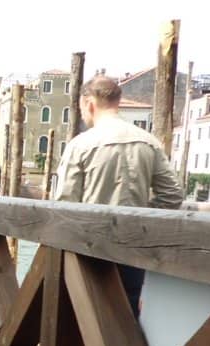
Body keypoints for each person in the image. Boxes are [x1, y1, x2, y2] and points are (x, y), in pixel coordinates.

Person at [55, 75, 183, 317]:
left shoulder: (80, 145)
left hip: (90, 249)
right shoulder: (149, 142)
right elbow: (173, 195)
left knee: (81, 320)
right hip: (134, 247)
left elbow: (64, 203)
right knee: (127, 317)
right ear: (118, 101)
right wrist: (143, 214)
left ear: (89, 103)